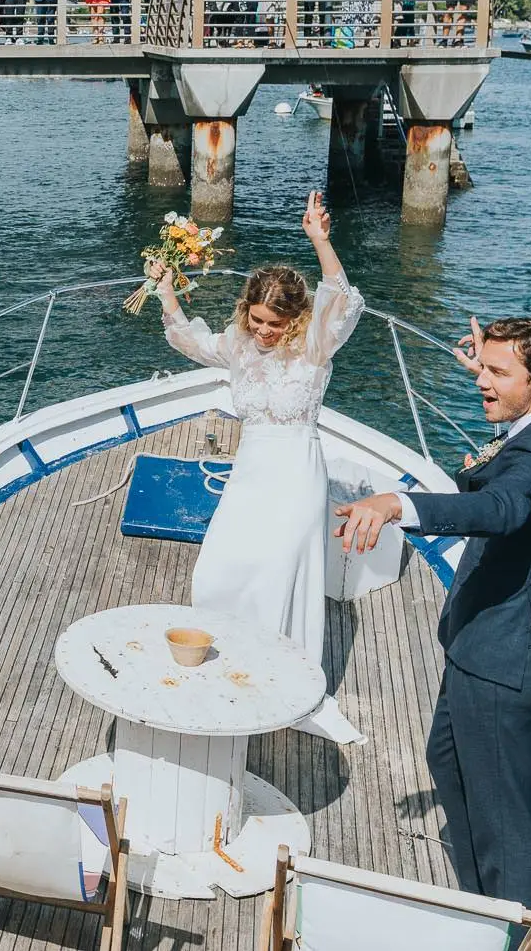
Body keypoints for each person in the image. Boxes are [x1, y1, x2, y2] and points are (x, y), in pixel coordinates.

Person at [335, 318, 531, 915]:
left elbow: (503, 506)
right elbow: (520, 448)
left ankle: (504, 922)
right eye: (483, 368)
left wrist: (394, 504)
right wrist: (493, 368)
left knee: (503, 811)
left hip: (506, 652)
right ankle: (475, 895)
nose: (481, 381)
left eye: (496, 373)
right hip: (487, 637)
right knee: (447, 759)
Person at [149, 191, 366, 743]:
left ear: (295, 320)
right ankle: (230, 662)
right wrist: (166, 291)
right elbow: (193, 342)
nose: (265, 330)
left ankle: (279, 680)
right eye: (258, 317)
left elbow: (340, 295)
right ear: (247, 309)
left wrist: (320, 239)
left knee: (276, 576)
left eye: (275, 322)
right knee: (219, 570)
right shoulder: (241, 345)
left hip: (295, 475)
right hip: (250, 474)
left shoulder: (315, 347)